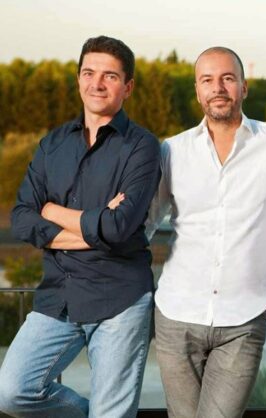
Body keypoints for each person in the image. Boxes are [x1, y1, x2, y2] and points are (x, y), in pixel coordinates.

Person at [145, 46, 266, 418]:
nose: (218, 88)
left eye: (227, 78)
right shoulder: (172, 150)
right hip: (175, 314)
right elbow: (145, 225)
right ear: (197, 91)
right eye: (207, 80)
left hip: (244, 319)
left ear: (244, 87)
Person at [0, 36, 160, 418]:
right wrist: (94, 228)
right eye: (89, 73)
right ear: (78, 79)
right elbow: (22, 217)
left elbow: (119, 227)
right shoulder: (52, 144)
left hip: (120, 299)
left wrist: (51, 210)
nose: (97, 84)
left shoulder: (142, 147)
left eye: (110, 76)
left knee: (112, 413)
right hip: (59, 294)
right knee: (11, 392)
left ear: (128, 87)